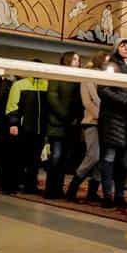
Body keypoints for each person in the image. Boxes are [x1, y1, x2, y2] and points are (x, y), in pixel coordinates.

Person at [98, 39, 127, 211]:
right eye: (122, 45)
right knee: (109, 157)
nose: (126, 48)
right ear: (116, 48)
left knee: (124, 161)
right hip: (111, 117)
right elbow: (103, 89)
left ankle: (120, 195)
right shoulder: (110, 64)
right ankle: (107, 195)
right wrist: (124, 100)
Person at [66, 52, 109, 203]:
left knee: (102, 158)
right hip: (92, 121)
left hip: (107, 123)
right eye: (105, 61)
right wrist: (101, 115)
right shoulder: (88, 77)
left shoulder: (109, 77)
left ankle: (92, 191)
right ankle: (73, 187)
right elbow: (87, 102)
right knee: (93, 155)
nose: (107, 64)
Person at [1, 66, 49, 194]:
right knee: (18, 157)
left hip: (39, 129)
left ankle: (30, 186)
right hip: (23, 128)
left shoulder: (46, 85)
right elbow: (12, 106)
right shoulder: (19, 85)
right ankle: (13, 185)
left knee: (35, 159)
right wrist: (13, 123)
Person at [44, 52, 83, 199]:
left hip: (71, 125)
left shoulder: (79, 78)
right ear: (67, 60)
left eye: (78, 60)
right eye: (75, 59)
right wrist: (65, 116)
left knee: (65, 160)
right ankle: (50, 189)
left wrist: (75, 118)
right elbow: (52, 98)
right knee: (56, 157)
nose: (77, 62)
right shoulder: (58, 76)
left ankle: (59, 189)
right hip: (57, 123)